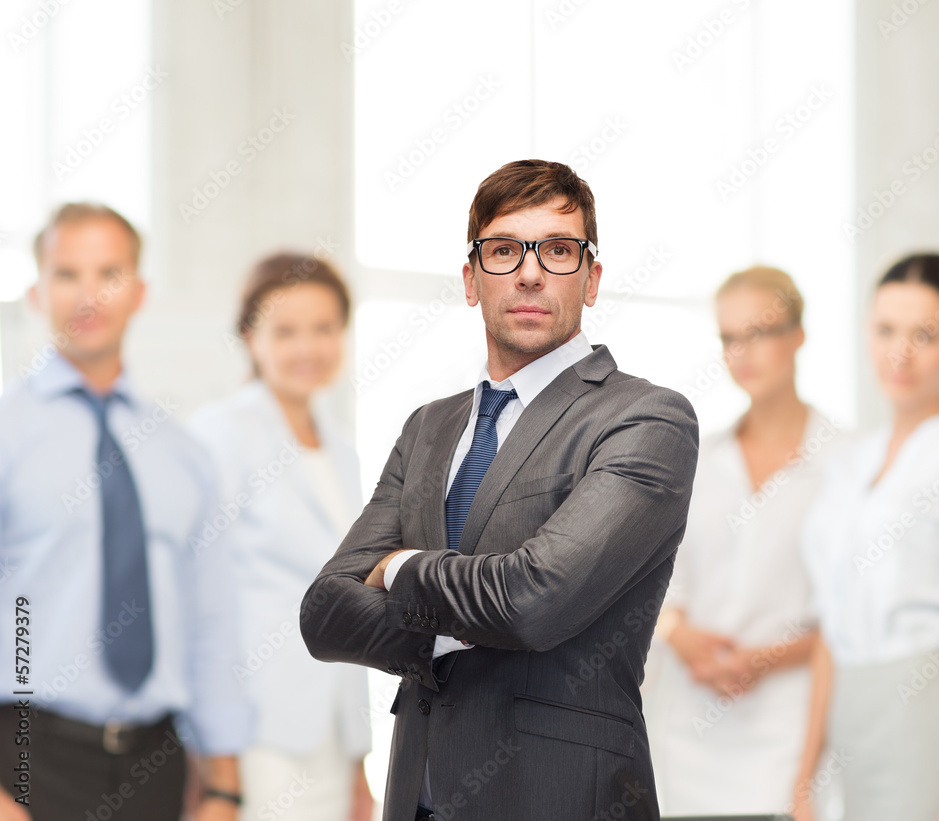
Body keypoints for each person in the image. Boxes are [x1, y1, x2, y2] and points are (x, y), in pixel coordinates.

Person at [299, 159, 699, 821]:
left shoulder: (645, 419)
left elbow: (532, 600)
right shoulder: (429, 427)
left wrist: (399, 567)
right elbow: (324, 612)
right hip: (418, 796)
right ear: (470, 279)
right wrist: (458, 630)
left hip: (559, 798)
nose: (531, 272)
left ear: (592, 279)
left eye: (559, 250)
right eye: (505, 249)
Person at [0, 203, 251, 821]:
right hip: (26, 758)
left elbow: (210, 619)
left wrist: (224, 784)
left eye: (108, 272)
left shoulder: (182, 452)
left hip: (157, 768)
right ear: (36, 292)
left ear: (139, 291)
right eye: (67, 274)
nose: (89, 293)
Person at [792, 253, 939, 821]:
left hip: (925, 707)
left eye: (924, 334)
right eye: (886, 330)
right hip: (849, 717)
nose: (900, 352)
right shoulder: (847, 464)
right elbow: (830, 628)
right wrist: (805, 776)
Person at [188, 253, 374, 821]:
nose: (307, 348)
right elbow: (198, 603)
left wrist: (358, 760)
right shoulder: (217, 437)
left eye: (324, 329)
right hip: (256, 730)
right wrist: (217, 764)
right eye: (285, 331)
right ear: (249, 336)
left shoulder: (342, 450)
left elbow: (352, 599)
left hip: (333, 732)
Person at [645, 266, 834, 813]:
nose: (743, 352)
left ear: (798, 335)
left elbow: (847, 615)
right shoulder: (695, 458)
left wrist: (769, 658)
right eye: (730, 338)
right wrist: (682, 638)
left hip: (787, 738)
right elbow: (654, 583)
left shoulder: (845, 462)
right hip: (686, 739)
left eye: (761, 332)